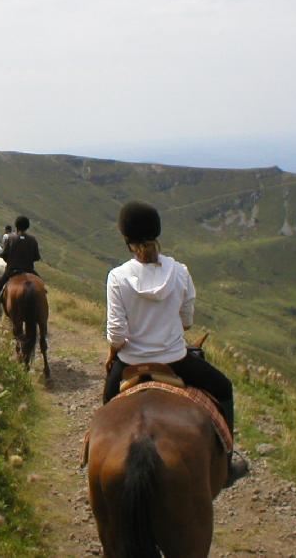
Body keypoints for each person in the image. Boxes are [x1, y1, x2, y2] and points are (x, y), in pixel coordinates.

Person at [102, 200, 248, 486]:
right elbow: (187, 321)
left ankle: (94, 457)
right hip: (176, 360)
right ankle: (228, 462)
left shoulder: (117, 277)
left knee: (108, 408)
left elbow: (117, 335)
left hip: (131, 363)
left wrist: (113, 354)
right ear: (157, 233)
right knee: (223, 387)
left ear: (126, 238)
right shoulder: (180, 272)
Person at [0, 216, 40, 318]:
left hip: (12, 270)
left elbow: (4, 255)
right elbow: (36, 257)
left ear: (16, 226)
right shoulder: (33, 240)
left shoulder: (10, 238)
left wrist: (10, 262)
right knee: (42, 287)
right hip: (29, 271)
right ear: (27, 226)